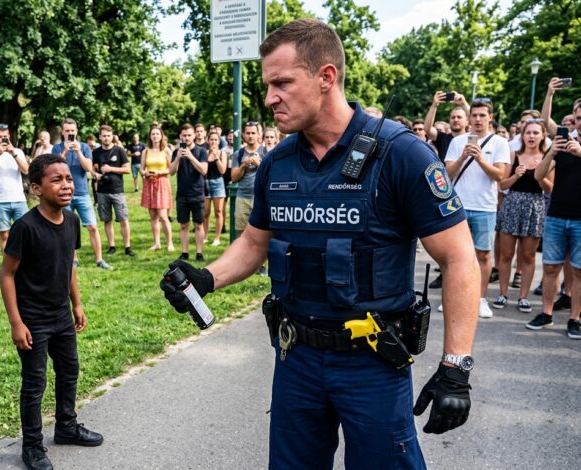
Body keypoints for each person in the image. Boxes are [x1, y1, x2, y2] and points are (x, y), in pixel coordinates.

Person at [161, 19, 479, 469]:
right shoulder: (278, 163)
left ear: (326, 77)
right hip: (296, 357)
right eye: (267, 85)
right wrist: (207, 278)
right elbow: (254, 241)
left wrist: (456, 366)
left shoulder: (401, 154)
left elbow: (459, 257)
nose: (269, 98)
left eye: (282, 83)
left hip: (372, 362)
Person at [0, 153, 103, 470]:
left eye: (68, 178)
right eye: (56, 180)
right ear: (36, 188)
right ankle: (32, 446)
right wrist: (16, 323)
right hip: (33, 320)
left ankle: (66, 427)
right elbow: (6, 275)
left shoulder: (72, 221)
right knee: (34, 384)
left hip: (61, 316)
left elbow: (69, 265)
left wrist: (77, 303)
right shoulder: (25, 227)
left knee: (69, 370)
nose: (66, 185)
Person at [444, 100, 510, 318]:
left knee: (482, 254)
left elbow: (499, 176)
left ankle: (480, 299)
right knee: (455, 255)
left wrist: (479, 158)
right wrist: (463, 157)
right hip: (458, 206)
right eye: (474, 115)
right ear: (469, 117)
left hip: (485, 207)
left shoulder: (500, 142)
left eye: (482, 115)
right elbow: (447, 174)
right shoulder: (457, 141)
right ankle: (452, 297)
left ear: (490, 117)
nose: (478, 119)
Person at [527, 116, 581, 339]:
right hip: (556, 216)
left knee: (579, 271)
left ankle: (574, 319)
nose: (580, 122)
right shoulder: (563, 144)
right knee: (550, 268)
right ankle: (546, 314)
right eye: (578, 118)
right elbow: (538, 175)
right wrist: (552, 152)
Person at [493, 121, 553, 313]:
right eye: (528, 133)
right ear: (522, 135)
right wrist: (515, 176)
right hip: (512, 204)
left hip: (535, 206)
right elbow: (502, 185)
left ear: (543, 135)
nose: (531, 136)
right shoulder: (514, 155)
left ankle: (523, 297)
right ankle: (502, 294)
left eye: (536, 133)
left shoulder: (548, 158)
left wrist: (540, 175)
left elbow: (550, 189)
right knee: (506, 254)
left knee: (528, 256)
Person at [52, 119, 112, 270]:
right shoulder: (57, 148)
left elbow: (88, 168)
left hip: (82, 193)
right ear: (63, 132)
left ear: (76, 131)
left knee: (92, 226)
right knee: (68, 229)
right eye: (67, 131)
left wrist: (78, 151)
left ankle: (99, 260)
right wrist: (65, 152)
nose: (70, 133)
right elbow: (55, 168)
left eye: (72, 130)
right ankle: (74, 259)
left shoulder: (84, 147)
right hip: (64, 194)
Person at [0, 123, 30, 252]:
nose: (2, 139)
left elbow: (26, 170)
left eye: (5, 136)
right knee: (4, 235)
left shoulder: (17, 151)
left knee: (25, 232)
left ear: (9, 137)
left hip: (19, 199)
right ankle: (7, 262)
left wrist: (13, 153)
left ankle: (25, 261)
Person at [93, 125, 135, 257]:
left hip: (117, 190)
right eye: (104, 136)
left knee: (123, 219)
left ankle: (128, 247)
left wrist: (110, 169)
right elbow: (92, 169)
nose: (106, 138)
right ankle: (112, 246)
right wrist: (95, 173)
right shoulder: (96, 152)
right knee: (107, 220)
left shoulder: (119, 151)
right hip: (102, 191)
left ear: (112, 136)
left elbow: (127, 169)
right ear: (100, 137)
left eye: (108, 135)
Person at [169, 124, 208, 263]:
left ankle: (199, 253)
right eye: (184, 135)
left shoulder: (201, 151)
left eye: (189, 135)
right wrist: (178, 158)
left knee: (198, 225)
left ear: (194, 135)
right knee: (183, 225)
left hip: (197, 193)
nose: (186, 138)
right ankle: (184, 253)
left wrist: (190, 157)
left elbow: (204, 170)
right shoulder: (176, 151)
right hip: (182, 194)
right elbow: (171, 172)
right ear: (181, 136)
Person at [140, 125, 174, 251]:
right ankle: (157, 243)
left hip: (162, 183)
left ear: (161, 136)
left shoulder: (166, 150)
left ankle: (169, 243)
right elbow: (141, 168)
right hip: (149, 184)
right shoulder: (146, 151)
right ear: (150, 136)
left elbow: (172, 169)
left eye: (157, 134)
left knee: (163, 216)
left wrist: (160, 172)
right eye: (153, 134)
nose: (155, 136)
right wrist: (145, 173)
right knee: (153, 216)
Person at [230, 121, 266, 239]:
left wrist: (259, 164)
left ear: (258, 135)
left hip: (260, 198)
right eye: (248, 133)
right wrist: (243, 165)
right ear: (243, 135)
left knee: (261, 232)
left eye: (253, 133)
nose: (250, 136)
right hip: (242, 197)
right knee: (241, 233)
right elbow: (234, 178)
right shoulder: (238, 153)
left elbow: (270, 176)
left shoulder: (266, 152)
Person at [203, 130, 228, 246]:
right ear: (208, 141)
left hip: (218, 183)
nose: (213, 142)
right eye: (211, 139)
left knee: (218, 211)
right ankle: (205, 236)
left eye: (215, 140)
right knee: (205, 212)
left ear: (219, 141)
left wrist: (216, 157)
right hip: (206, 183)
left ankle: (217, 238)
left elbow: (222, 170)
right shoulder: (204, 153)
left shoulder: (222, 153)